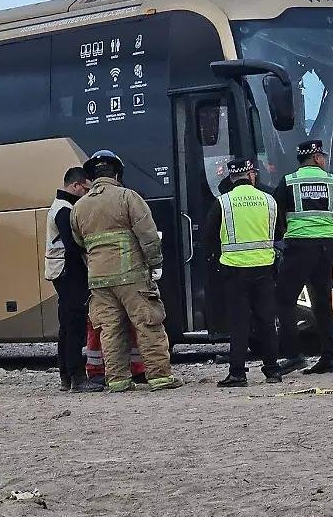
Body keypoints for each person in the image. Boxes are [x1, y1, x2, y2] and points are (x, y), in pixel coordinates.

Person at [71, 150, 182, 393]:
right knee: (148, 323)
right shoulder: (128, 197)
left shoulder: (79, 207)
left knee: (110, 330)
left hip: (98, 280)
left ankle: (118, 380)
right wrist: (155, 264)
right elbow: (149, 237)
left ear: (90, 176)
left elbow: (80, 242)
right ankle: (160, 377)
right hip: (131, 275)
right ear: (118, 173)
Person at [273, 139, 333, 376]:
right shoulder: (332, 181)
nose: (325, 161)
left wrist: (283, 235)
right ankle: (329, 357)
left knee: (285, 300)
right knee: (322, 303)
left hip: (299, 247)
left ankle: (293, 355)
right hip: (326, 249)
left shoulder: (289, 181)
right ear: (317, 158)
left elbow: (276, 213)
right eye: (324, 157)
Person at [205, 157, 286, 387]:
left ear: (231, 178)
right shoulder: (269, 201)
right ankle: (272, 370)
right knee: (267, 321)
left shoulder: (223, 203)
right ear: (251, 176)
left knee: (239, 323)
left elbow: (209, 237)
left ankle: (238, 373)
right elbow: (279, 233)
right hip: (264, 269)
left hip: (234, 271)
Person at [45, 167, 103, 393]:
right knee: (75, 325)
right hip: (68, 273)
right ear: (76, 186)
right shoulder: (65, 210)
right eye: (86, 189)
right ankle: (77, 378)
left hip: (61, 272)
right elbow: (72, 246)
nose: (87, 193)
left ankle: (66, 377)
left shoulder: (59, 206)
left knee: (67, 327)